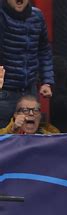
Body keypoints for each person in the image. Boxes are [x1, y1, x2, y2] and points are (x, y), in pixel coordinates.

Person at [0, 0, 54, 128]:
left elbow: (44, 50)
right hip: (4, 93)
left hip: (30, 91)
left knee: (30, 140)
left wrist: (47, 81)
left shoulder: (37, 16)